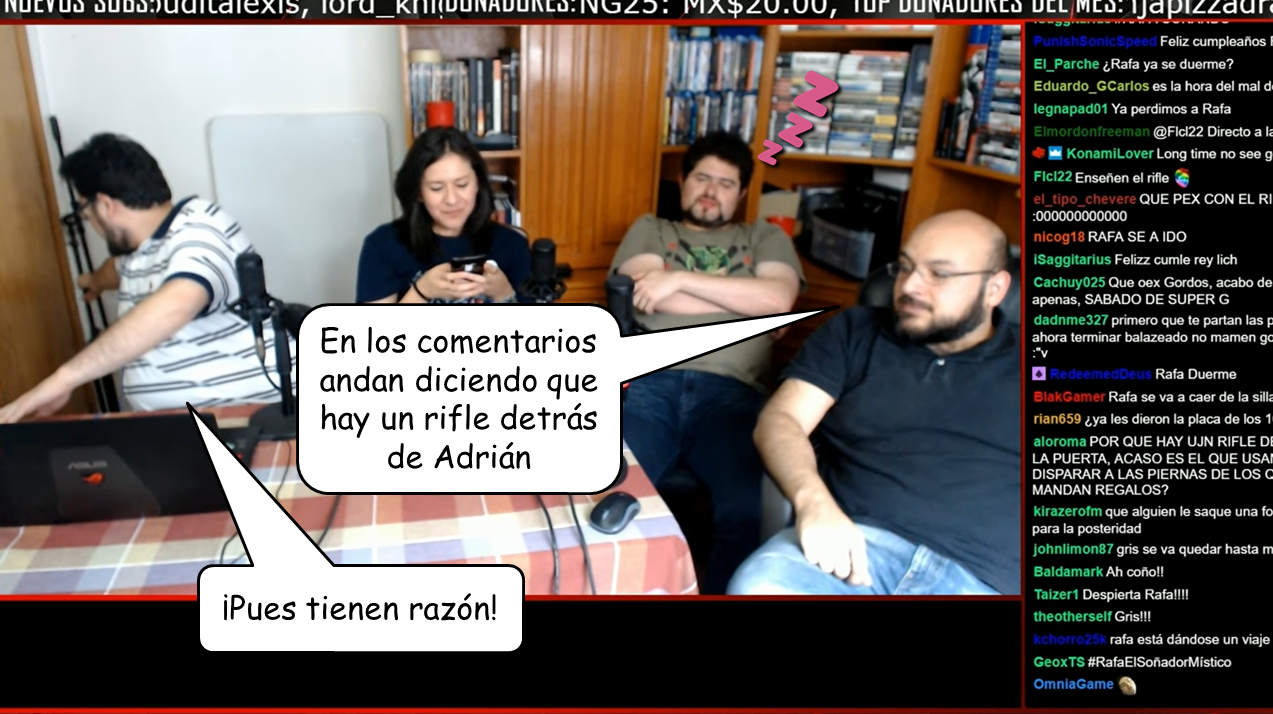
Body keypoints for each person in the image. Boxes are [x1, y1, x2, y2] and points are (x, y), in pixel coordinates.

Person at [727, 209, 1020, 596]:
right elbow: (782, 419)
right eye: (905, 266)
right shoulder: (855, 333)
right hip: (848, 550)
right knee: (761, 588)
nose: (910, 286)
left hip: (983, 578)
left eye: (939, 273)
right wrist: (812, 501)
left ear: (995, 289)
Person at [609, 131, 805, 594]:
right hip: (649, 384)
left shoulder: (765, 237)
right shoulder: (652, 229)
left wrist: (676, 280)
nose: (711, 191)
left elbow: (778, 301)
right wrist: (744, 307)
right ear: (682, 181)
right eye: (702, 178)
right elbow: (640, 295)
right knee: (604, 493)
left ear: (741, 193)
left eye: (725, 183)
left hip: (733, 397)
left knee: (747, 509)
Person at [0, 133, 294, 423]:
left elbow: (180, 300)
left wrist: (64, 379)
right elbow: (115, 271)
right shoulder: (142, 250)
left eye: (87, 216)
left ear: (105, 205)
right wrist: (91, 282)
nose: (92, 226)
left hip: (247, 416)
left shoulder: (200, 227)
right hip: (178, 421)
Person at [356, 127, 530, 304]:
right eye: (436, 188)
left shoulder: (513, 244)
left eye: (462, 185)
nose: (451, 200)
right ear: (418, 192)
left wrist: (504, 294)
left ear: (478, 184)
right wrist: (422, 291)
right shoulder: (382, 245)